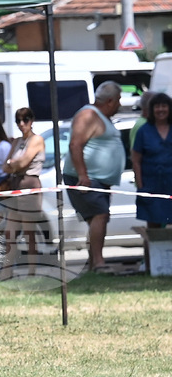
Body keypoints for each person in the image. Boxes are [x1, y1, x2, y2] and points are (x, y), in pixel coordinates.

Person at [62, 80, 125, 272]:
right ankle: (98, 262)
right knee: (100, 215)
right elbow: (75, 144)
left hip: (98, 180)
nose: (120, 105)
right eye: (119, 100)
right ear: (110, 101)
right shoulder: (88, 115)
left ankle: (93, 263)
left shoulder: (100, 117)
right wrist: (83, 175)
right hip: (85, 178)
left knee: (98, 219)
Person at [0, 107, 45, 272]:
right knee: (9, 233)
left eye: (25, 120)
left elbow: (22, 162)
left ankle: (33, 270)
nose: (21, 124)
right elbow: (5, 166)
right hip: (16, 185)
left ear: (31, 121)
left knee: (29, 232)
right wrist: (13, 165)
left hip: (29, 185)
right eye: (18, 120)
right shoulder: (17, 141)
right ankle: (7, 270)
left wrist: (13, 164)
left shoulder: (37, 140)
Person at [131, 91, 172, 229]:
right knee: (153, 229)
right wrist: (141, 185)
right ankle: (152, 251)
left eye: (164, 106)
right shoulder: (143, 131)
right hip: (151, 187)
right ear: (152, 110)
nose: (161, 110)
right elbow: (136, 160)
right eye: (157, 106)